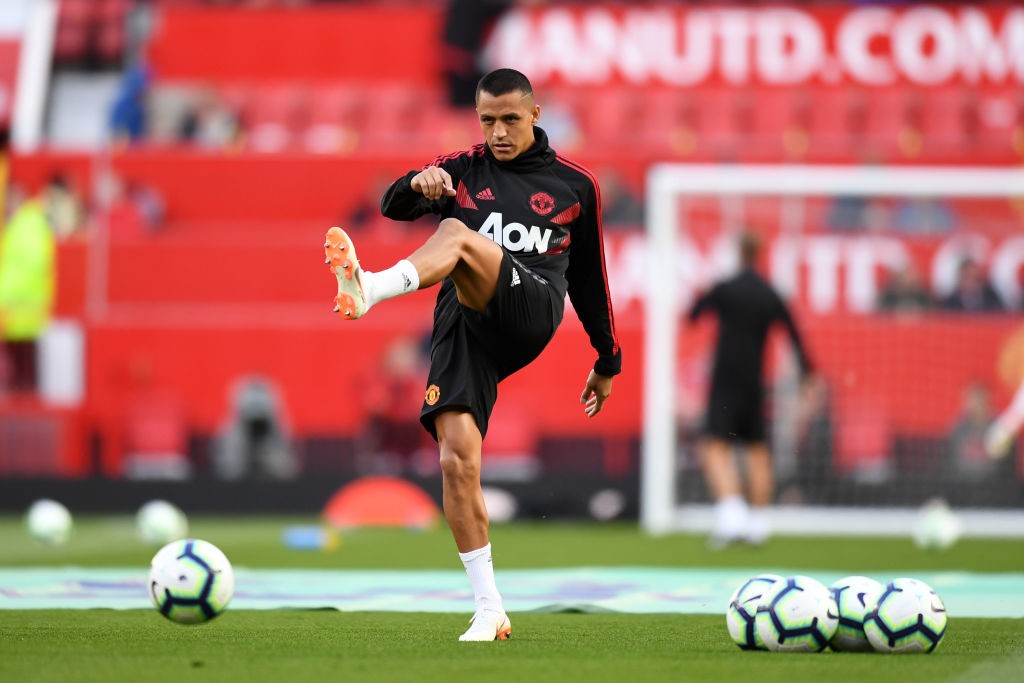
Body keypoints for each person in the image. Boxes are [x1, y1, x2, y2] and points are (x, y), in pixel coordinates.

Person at [322, 68, 621, 641]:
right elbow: (391, 205)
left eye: (510, 119)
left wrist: (607, 359)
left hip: (531, 308)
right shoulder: (464, 168)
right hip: (464, 323)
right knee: (456, 460)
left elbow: (589, 279)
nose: (499, 132)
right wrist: (420, 183)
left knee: (459, 236)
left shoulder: (574, 186)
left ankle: (373, 287)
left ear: (536, 115)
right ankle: (490, 608)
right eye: (488, 121)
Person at [688, 232, 812, 547]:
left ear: (737, 252)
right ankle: (758, 524)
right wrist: (810, 372)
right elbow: (796, 337)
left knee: (715, 447)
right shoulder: (770, 293)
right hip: (755, 382)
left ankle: (732, 519)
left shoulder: (725, 288)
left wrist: (704, 291)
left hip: (725, 379)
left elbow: (693, 314)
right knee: (757, 449)